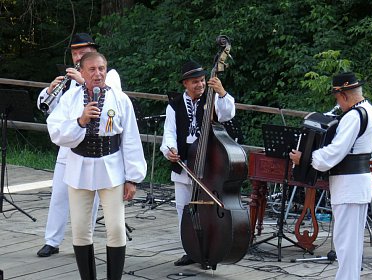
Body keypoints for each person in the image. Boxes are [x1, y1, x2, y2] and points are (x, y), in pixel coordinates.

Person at [47, 51, 146, 280]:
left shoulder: (120, 99)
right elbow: (56, 133)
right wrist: (80, 121)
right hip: (78, 169)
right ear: (81, 72)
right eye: (91, 69)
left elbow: (130, 139)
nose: (98, 74)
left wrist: (132, 178)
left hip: (111, 169)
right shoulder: (70, 99)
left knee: (116, 229)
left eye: (101, 68)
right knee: (81, 230)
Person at [36, 33, 122, 257]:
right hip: (69, 144)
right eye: (75, 53)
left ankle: (85, 240)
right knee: (59, 194)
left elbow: (110, 97)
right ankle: (52, 241)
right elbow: (48, 109)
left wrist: (82, 80)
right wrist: (49, 91)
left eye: (82, 52)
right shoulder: (69, 79)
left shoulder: (109, 75)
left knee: (90, 198)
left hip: (97, 148)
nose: (78, 56)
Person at [289, 72, 372, 279]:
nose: (338, 103)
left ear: (344, 95)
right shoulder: (370, 111)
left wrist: (306, 157)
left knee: (345, 243)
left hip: (349, 185)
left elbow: (334, 153)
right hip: (358, 183)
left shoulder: (354, 116)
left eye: (337, 98)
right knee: (352, 243)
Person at [160, 60, 236, 266]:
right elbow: (169, 133)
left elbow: (227, 113)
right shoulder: (174, 105)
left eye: (202, 80)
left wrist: (222, 93)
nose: (200, 85)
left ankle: (211, 250)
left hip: (208, 166)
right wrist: (169, 150)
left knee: (208, 210)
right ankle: (191, 250)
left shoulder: (212, 99)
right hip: (184, 163)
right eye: (195, 82)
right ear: (185, 83)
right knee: (184, 209)